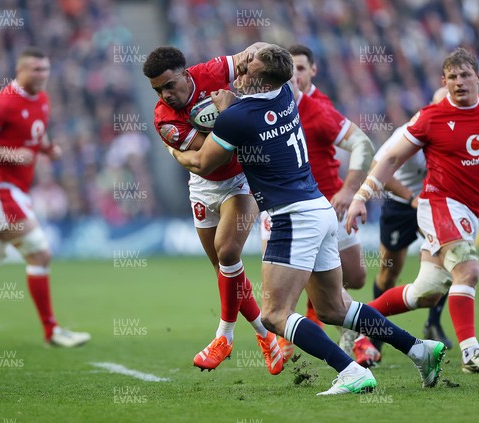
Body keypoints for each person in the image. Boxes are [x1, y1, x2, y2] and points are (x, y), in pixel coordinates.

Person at [170, 44, 446, 395]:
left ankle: (350, 371)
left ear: (258, 80)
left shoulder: (237, 118)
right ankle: (419, 349)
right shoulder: (285, 94)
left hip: (292, 217)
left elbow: (201, 164)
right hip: (317, 207)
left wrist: (174, 148)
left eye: (246, 69)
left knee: (273, 314)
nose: (239, 71)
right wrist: (234, 101)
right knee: (334, 307)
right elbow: (261, 88)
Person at [346, 47, 479, 373]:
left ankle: (357, 318)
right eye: (452, 77)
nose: (459, 82)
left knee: (427, 292)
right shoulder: (430, 117)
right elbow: (390, 159)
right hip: (437, 204)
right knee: (468, 270)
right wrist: (360, 197)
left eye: (465, 75)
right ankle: (471, 354)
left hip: (468, 212)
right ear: (444, 81)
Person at [142, 43, 283, 375]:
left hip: (241, 180)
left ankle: (224, 336)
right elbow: (207, 158)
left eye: (170, 85)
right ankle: (266, 337)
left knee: (228, 252)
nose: (165, 95)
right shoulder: (164, 118)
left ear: (186, 73)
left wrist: (263, 57)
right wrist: (229, 114)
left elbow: (252, 55)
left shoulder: (211, 72)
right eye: (158, 90)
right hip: (204, 187)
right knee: (225, 270)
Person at [0, 47, 90, 348]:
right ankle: (52, 331)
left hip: (13, 191)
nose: (42, 75)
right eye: (36, 70)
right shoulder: (4, 102)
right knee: (40, 254)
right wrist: (7, 153)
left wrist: (46, 148)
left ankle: (52, 331)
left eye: (45, 70)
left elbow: (34, 134)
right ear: (20, 71)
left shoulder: (41, 99)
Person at [260, 44, 376, 361]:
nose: (293, 75)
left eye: (300, 68)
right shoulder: (260, 107)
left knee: (354, 277)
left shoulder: (319, 108)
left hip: (329, 203)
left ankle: (327, 323)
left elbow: (363, 145)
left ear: (312, 71)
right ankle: (286, 336)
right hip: (282, 208)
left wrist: (351, 190)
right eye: (289, 68)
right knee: (285, 286)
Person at [353, 87, 452, 367]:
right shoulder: (411, 131)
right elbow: (378, 165)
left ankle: (433, 324)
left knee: (449, 261)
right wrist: (411, 198)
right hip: (401, 205)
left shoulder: (454, 135)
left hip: (434, 204)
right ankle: (375, 334)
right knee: (388, 274)